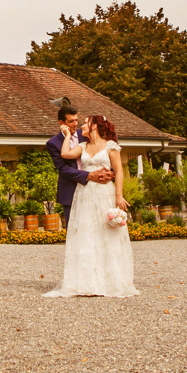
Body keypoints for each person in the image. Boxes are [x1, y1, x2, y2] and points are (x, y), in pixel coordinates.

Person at [44, 114, 138, 298]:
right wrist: (66, 136)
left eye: (84, 123)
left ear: (94, 126)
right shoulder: (82, 145)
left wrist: (118, 195)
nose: (79, 126)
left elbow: (118, 171)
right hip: (84, 194)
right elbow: (64, 157)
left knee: (106, 234)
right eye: (73, 122)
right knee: (87, 234)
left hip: (105, 193)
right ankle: (87, 280)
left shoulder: (110, 146)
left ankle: (111, 279)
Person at [45, 105, 113, 230]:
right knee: (74, 230)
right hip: (70, 190)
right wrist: (88, 175)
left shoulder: (86, 135)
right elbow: (63, 169)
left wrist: (110, 173)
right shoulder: (53, 143)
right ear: (61, 123)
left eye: (77, 120)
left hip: (94, 188)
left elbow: (102, 152)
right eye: (71, 121)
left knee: (97, 227)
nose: (75, 124)